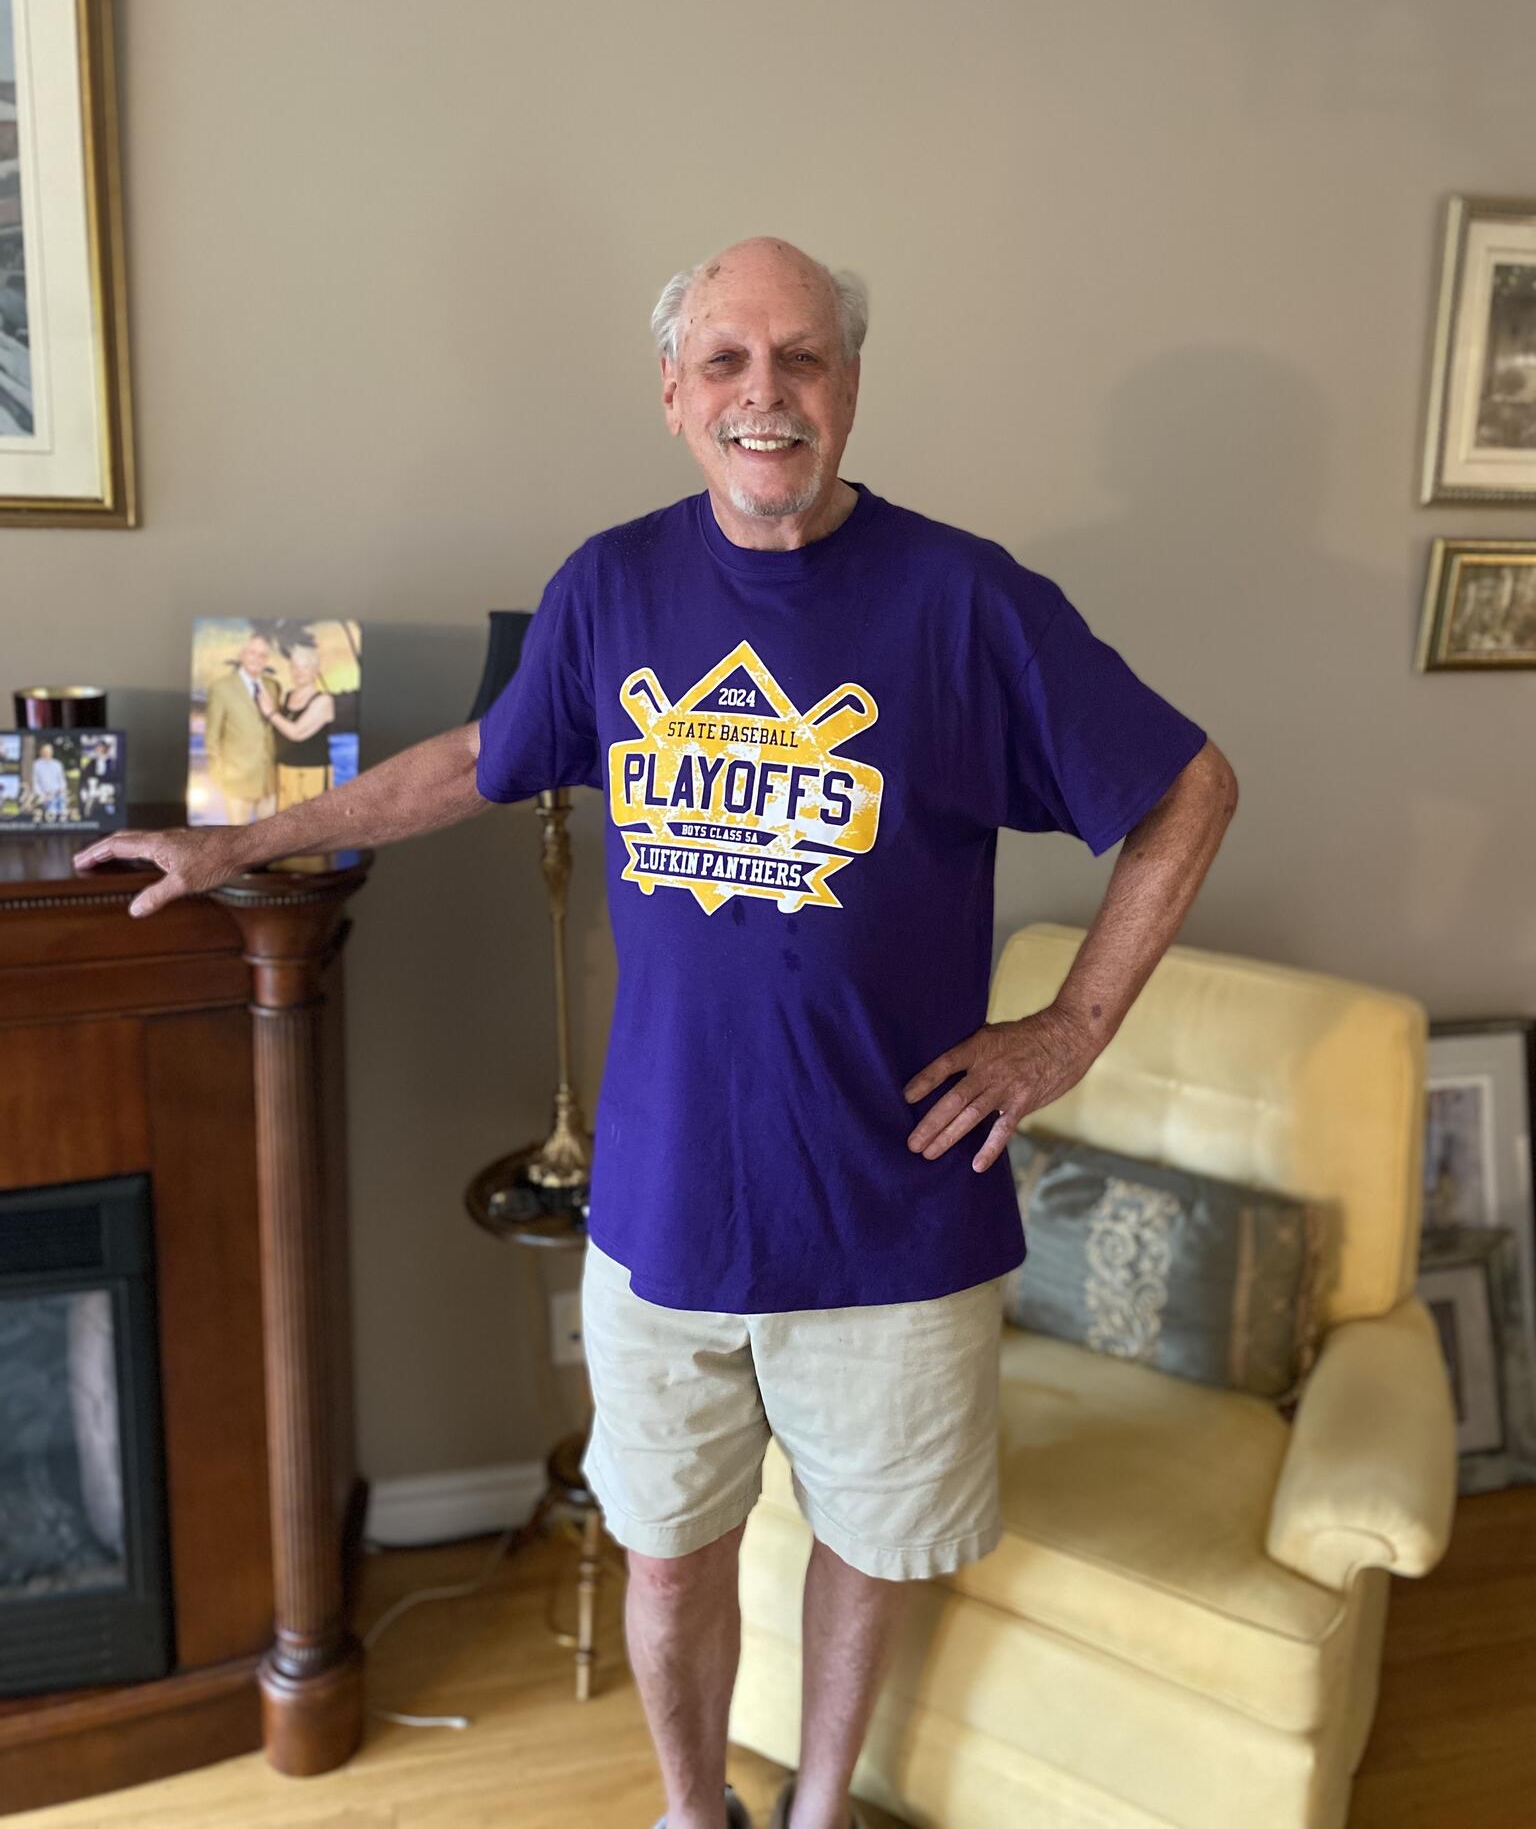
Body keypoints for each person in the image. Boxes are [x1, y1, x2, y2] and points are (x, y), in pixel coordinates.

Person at [74, 237, 1238, 1829]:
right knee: (673, 1560)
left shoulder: (968, 601)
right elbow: (481, 758)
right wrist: (241, 843)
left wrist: (1069, 1032)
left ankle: (817, 1810)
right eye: (729, 361)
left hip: (894, 1205)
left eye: (805, 357)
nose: (769, 394)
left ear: (850, 384)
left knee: (869, 1552)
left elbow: (1187, 787)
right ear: (675, 393)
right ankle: (697, 1812)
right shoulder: (612, 585)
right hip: (667, 1204)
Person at [202, 630, 280, 823]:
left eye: (262, 655)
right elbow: (212, 738)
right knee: (237, 838)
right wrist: (220, 777)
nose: (257, 659)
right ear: (242, 654)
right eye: (252, 652)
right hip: (236, 782)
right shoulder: (221, 688)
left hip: (268, 781)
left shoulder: (273, 686)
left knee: (268, 838)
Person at [258, 628, 336, 811]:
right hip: (284, 772)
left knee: (311, 823)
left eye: (305, 667)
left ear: (315, 671)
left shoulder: (324, 700)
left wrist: (270, 713)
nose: (298, 672)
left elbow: (297, 733)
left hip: (312, 774)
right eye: (294, 667)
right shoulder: (287, 696)